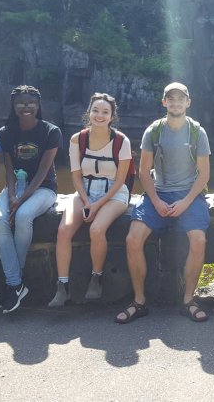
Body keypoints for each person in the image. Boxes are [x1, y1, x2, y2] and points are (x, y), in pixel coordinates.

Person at [115, 82, 211, 323]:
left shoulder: (197, 132)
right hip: (158, 193)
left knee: (199, 240)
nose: (176, 103)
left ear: (188, 102)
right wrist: (156, 201)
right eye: (171, 99)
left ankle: (189, 300)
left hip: (189, 194)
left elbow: (204, 174)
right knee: (132, 239)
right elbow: (143, 172)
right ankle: (139, 302)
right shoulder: (154, 131)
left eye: (180, 99)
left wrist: (186, 202)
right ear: (164, 102)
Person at [49, 93, 132, 307]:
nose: (99, 115)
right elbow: (76, 176)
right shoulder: (77, 139)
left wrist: (97, 205)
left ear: (112, 116)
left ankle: (97, 278)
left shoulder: (121, 141)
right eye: (95, 110)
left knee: (96, 229)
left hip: (114, 193)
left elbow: (120, 180)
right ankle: (62, 285)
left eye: (105, 112)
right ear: (89, 113)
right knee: (63, 230)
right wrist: (87, 201)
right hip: (85, 191)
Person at [0, 85, 61, 314]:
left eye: (31, 102)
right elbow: (9, 168)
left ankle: (12, 283)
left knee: (22, 216)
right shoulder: (6, 132)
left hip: (43, 189)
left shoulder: (51, 131)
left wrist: (21, 199)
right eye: (20, 103)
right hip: (16, 186)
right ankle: (16, 284)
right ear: (13, 106)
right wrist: (12, 195)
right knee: (0, 219)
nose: (26, 106)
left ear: (38, 105)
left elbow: (43, 171)